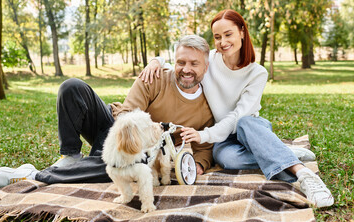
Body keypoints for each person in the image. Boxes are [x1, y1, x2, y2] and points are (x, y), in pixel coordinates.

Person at [139, 9, 334, 208]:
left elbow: (237, 116)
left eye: (228, 34)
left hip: (250, 129)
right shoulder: (209, 62)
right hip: (223, 138)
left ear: (242, 31)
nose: (223, 42)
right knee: (228, 160)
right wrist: (157, 61)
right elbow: (184, 63)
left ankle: (303, 173)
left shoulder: (257, 73)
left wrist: (204, 135)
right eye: (217, 37)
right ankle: (280, 151)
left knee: (244, 121)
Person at [0, 35, 214, 188]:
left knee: (118, 166)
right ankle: (70, 156)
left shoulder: (207, 106)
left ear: (206, 66)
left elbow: (204, 147)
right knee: (72, 87)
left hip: (146, 153)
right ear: (173, 62)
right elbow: (126, 113)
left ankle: (31, 175)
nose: (186, 69)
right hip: (116, 126)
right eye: (181, 62)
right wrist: (127, 144)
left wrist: (199, 164)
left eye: (194, 64)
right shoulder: (155, 77)